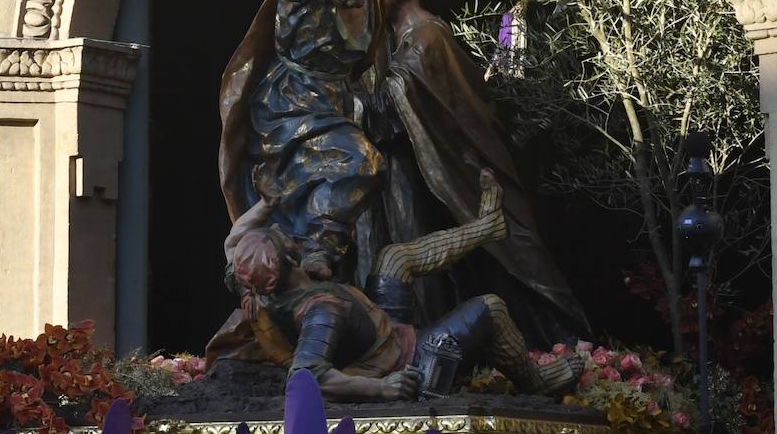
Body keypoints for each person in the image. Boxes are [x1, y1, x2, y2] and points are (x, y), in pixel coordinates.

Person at [359, 0, 591, 347]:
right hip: (420, 185)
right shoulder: (388, 42)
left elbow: (396, 110)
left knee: (501, 259)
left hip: (456, 176)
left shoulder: (429, 36)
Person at [223, 168, 585, 401]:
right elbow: (308, 376)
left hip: (384, 330)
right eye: (283, 239)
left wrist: (267, 205)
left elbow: (233, 240)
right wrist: (382, 388)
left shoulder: (254, 274)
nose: (288, 236)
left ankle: (488, 226)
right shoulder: (319, 312)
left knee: (393, 259)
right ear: (286, 261)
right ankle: (534, 381)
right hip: (402, 364)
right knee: (490, 307)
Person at [218, 0, 392, 280]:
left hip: (334, 104)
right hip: (288, 105)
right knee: (359, 163)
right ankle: (305, 255)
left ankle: (316, 254)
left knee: (360, 170)